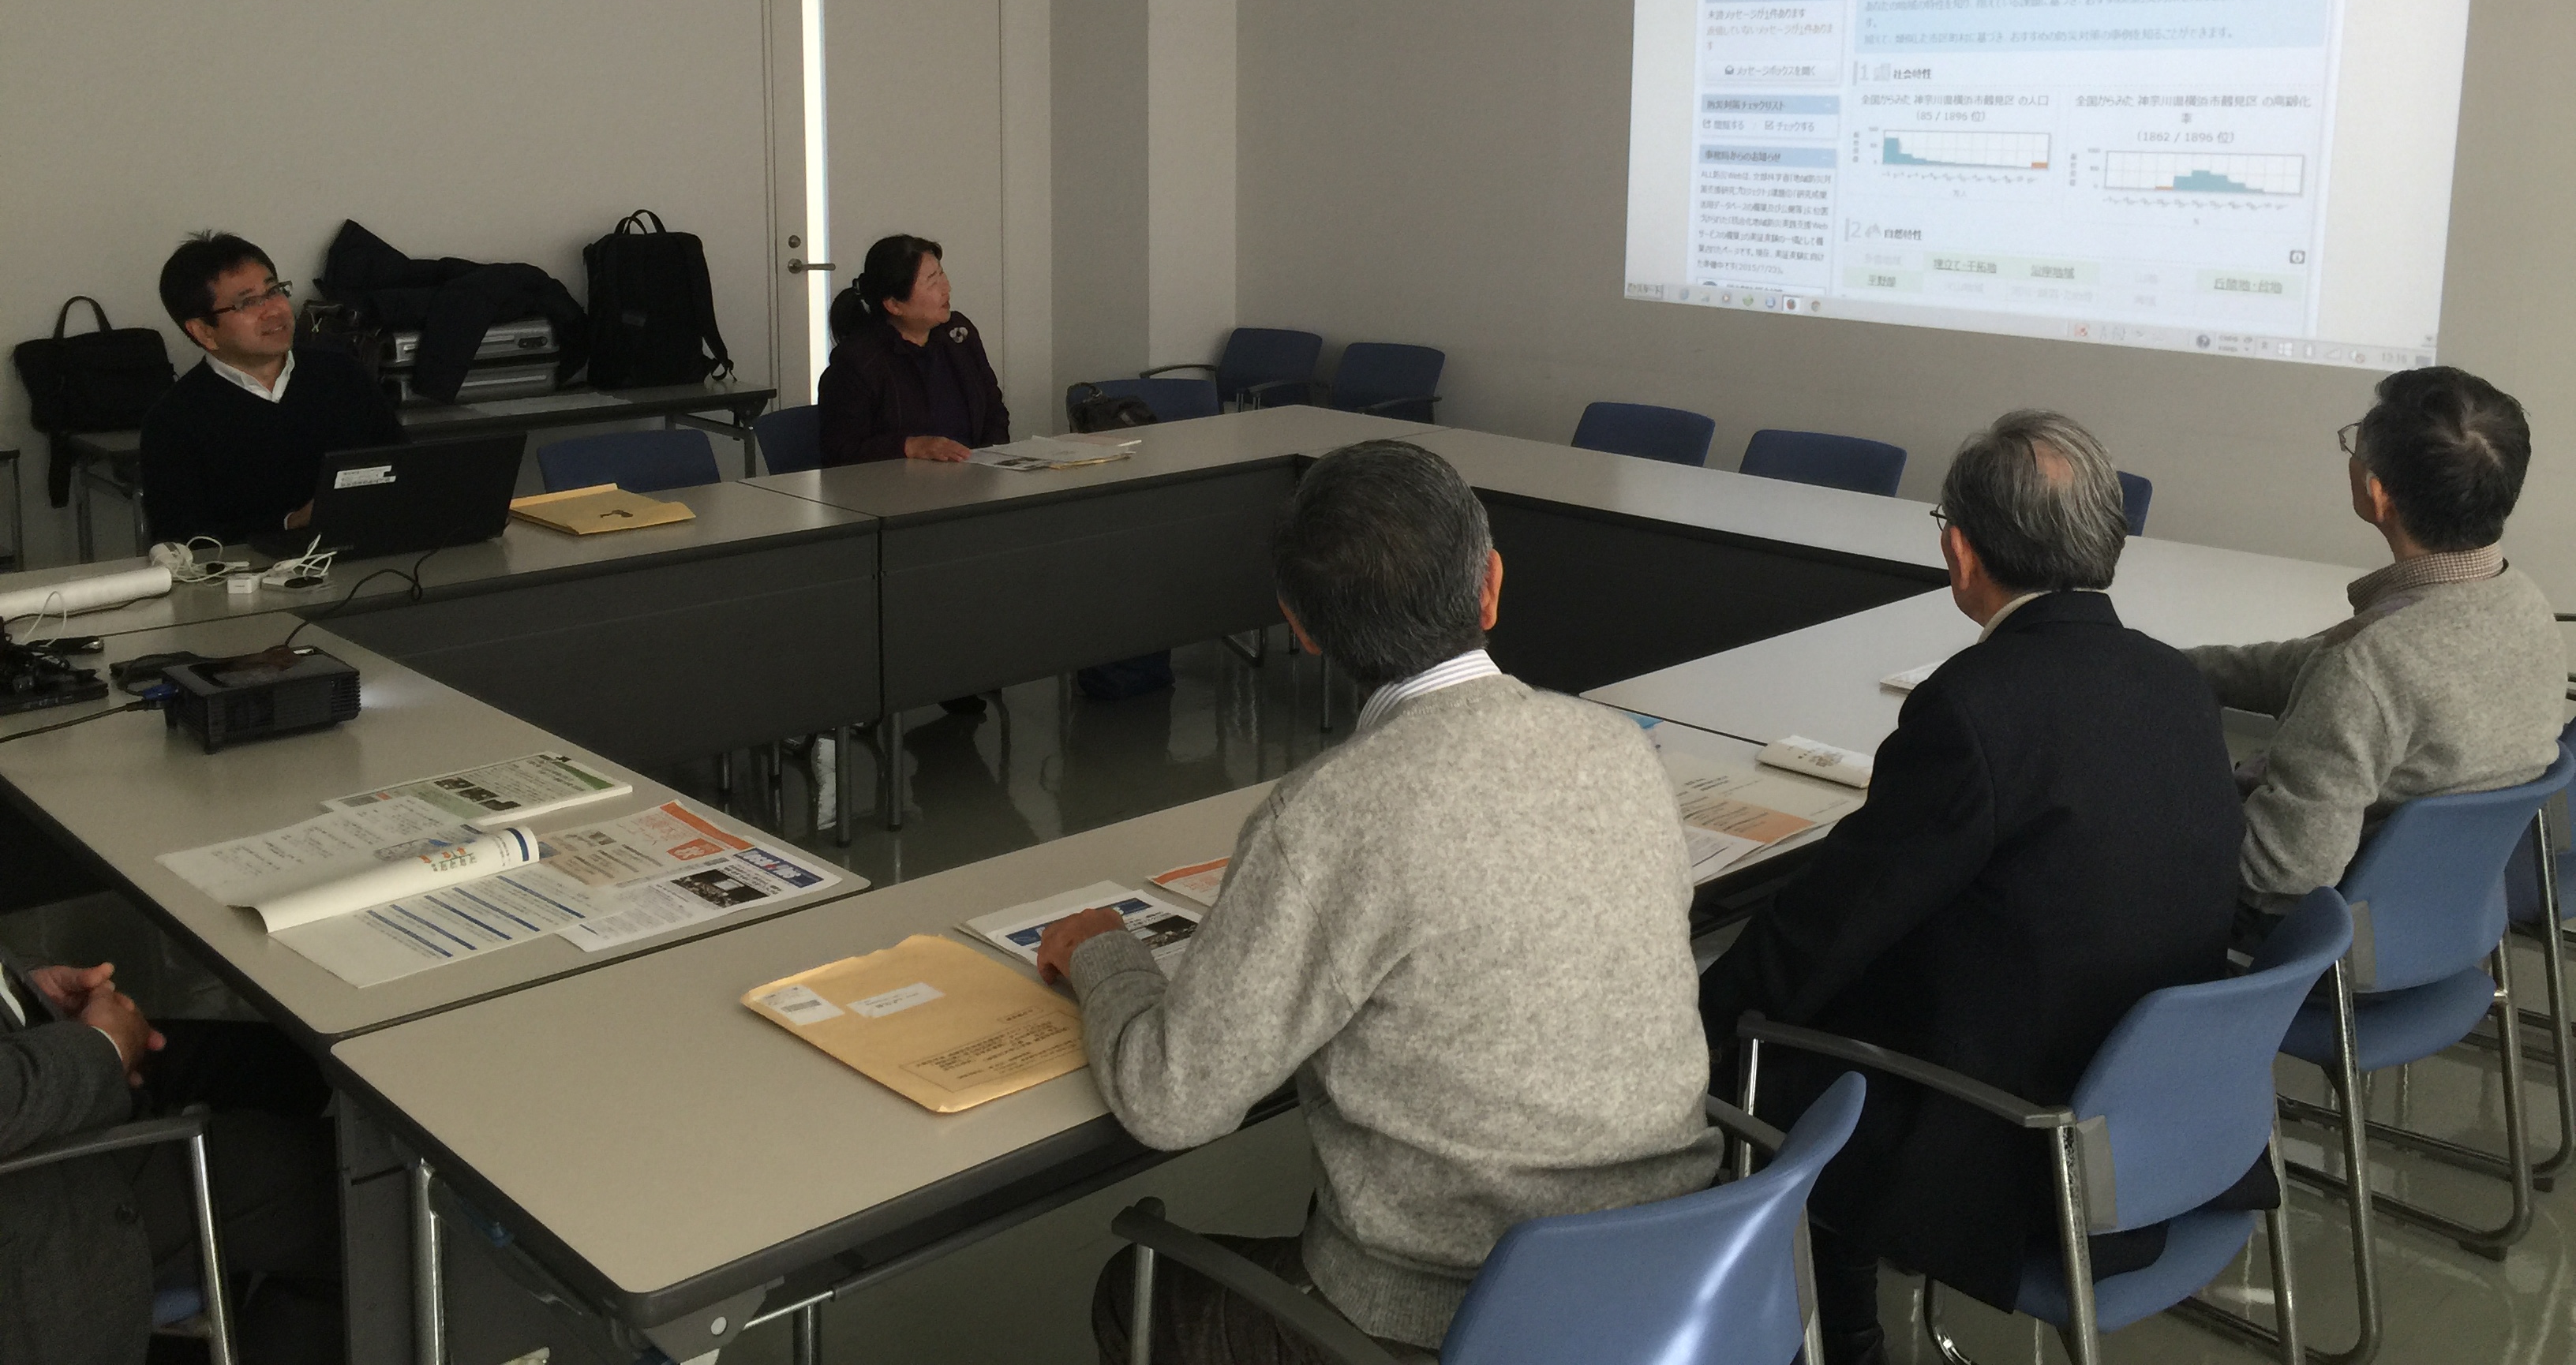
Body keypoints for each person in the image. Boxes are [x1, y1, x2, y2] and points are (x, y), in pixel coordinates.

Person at [1033, 439, 1715, 1365]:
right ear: (1491, 585)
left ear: (1302, 627)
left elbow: (1171, 1100)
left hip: (1452, 1322)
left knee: (1135, 1292)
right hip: (1676, 1285)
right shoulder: (1621, 750)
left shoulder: (1327, 818)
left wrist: (1101, 953)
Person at [1697, 411, 2243, 1365]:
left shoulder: (1972, 707)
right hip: (2174, 1118)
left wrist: (1698, 1017)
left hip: (2023, 1145)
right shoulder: (2177, 681)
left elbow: (1836, 921)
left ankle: (1840, 1342)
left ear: (1959, 550)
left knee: (1763, 1049)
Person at [2193, 365, 2565, 919]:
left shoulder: (2368, 664)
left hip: (2323, 930)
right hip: (2450, 914)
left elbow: (2279, 877)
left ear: (2378, 495)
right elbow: (2305, 668)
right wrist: (2159, 665)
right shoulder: (2524, 605)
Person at [0, 943, 342, 1365]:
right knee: (357, 1194)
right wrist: (103, 1047)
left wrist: (19, 989)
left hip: (24, 1084)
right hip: (27, 1198)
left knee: (294, 1067)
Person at [139, 231, 403, 544]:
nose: (274, 310)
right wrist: (289, 523)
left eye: (274, 291)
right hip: (247, 571)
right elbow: (180, 539)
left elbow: (405, 469)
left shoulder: (341, 374)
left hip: (366, 554)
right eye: (248, 302)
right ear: (204, 331)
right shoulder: (174, 419)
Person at [816, 234, 1009, 466]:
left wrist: (991, 461)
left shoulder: (958, 333)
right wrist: (909, 446)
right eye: (932, 282)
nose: (946, 288)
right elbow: (840, 451)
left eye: (941, 274)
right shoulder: (857, 362)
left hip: (974, 476)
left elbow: (994, 411)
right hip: (898, 485)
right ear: (894, 305)